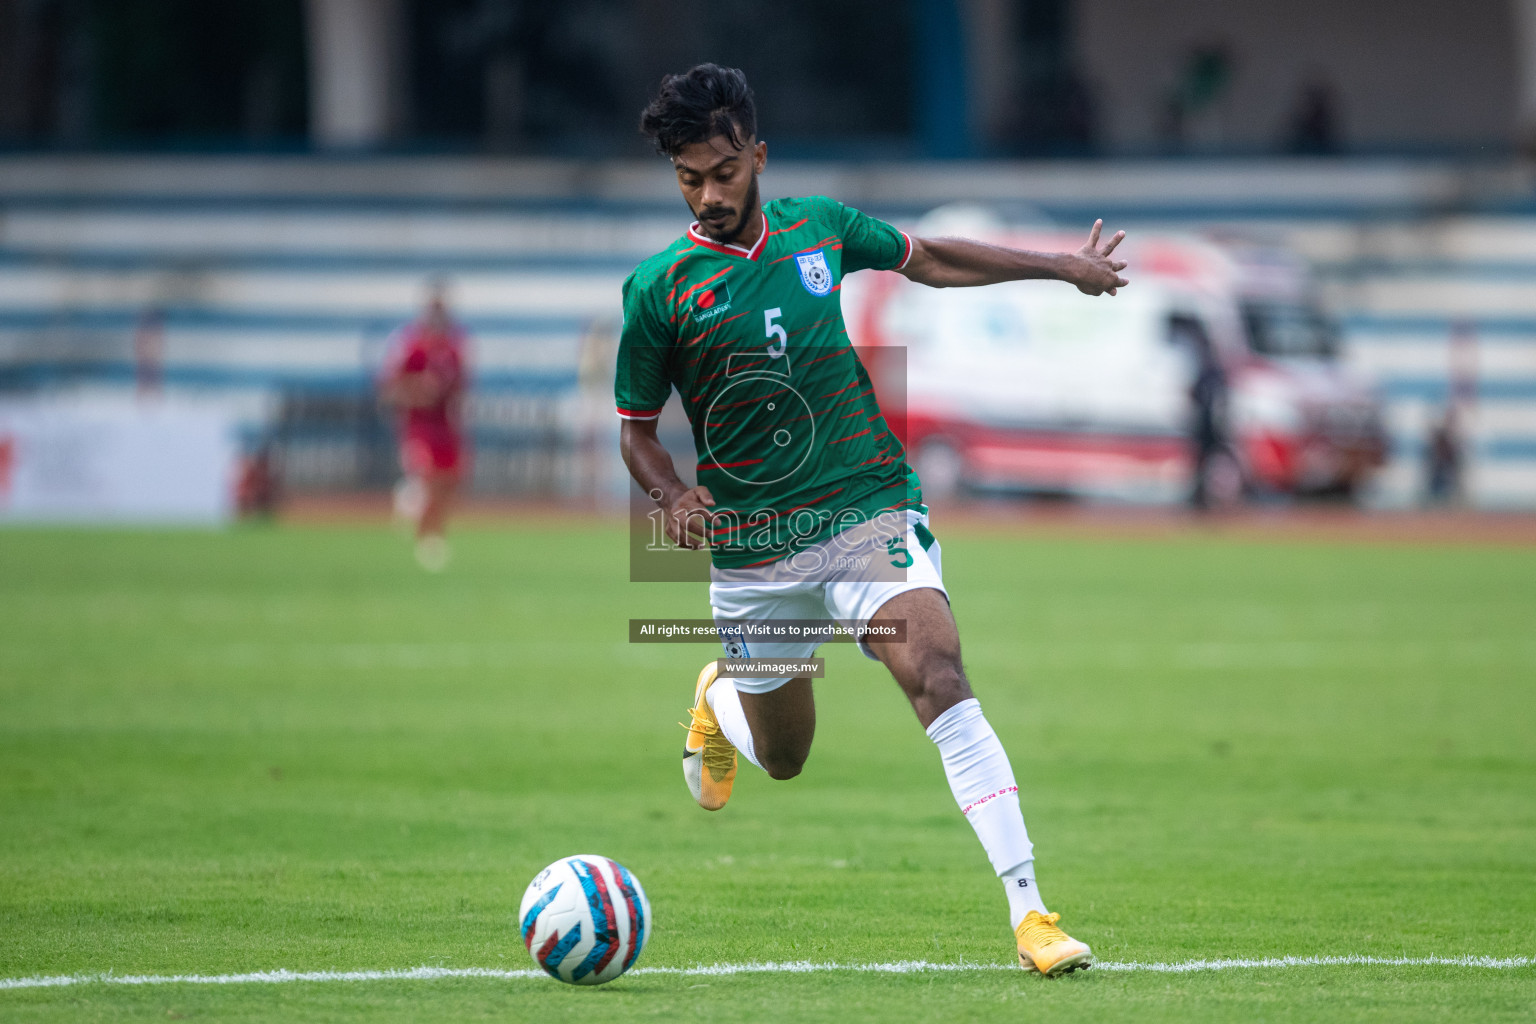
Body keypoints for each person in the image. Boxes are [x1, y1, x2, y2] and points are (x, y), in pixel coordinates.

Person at [617, 64, 1127, 977]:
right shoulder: (657, 289)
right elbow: (636, 436)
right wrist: (670, 497)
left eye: (724, 171)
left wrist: (1061, 267)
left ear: (758, 156)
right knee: (785, 760)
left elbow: (927, 260)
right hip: (753, 553)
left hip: (867, 508)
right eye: (690, 177)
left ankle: (1032, 913)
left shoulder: (821, 227)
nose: (709, 193)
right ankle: (717, 699)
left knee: (936, 670)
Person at [380, 282, 470, 570]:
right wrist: (419, 392)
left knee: (449, 482)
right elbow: (390, 389)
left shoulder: (454, 348)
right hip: (419, 427)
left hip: (446, 426)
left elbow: (460, 386)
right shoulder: (411, 346)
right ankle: (427, 540)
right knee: (430, 479)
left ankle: (422, 515)